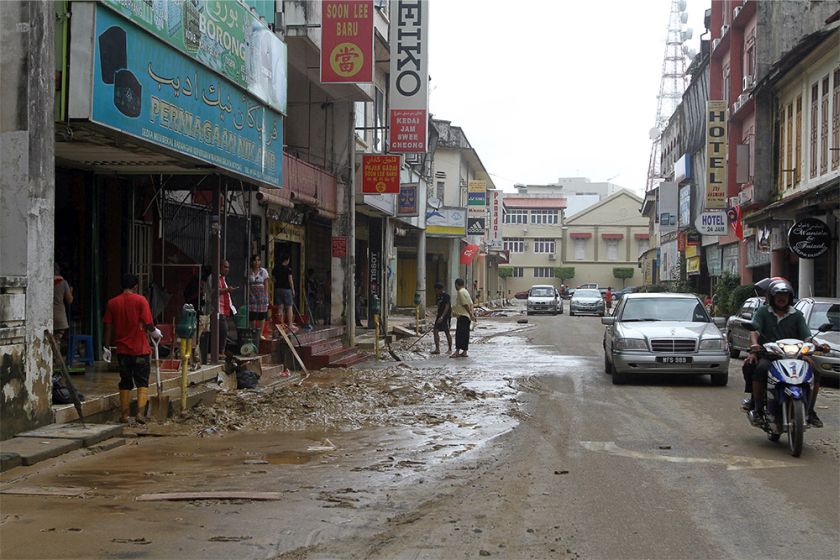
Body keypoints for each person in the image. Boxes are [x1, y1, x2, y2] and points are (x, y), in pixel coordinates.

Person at [743, 278, 828, 428]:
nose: (782, 298)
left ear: (790, 297)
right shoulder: (763, 312)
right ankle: (756, 408)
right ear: (771, 297)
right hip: (770, 354)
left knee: (815, 372)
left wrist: (819, 345)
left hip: (795, 355)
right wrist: (755, 345)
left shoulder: (797, 315)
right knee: (760, 368)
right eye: (778, 295)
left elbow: (807, 336)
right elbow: (754, 331)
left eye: (785, 295)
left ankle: (810, 411)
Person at [103, 273, 161, 424]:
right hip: (140, 350)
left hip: (122, 351)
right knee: (142, 381)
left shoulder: (112, 303)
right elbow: (148, 323)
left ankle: (124, 415)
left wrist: (106, 347)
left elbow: (108, 327)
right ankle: (140, 414)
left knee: (125, 381)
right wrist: (155, 331)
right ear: (135, 286)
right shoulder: (141, 300)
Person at [451, 278, 476, 358]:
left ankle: (457, 351)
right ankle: (465, 351)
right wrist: (471, 314)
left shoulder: (460, 292)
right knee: (465, 334)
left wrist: (470, 314)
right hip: (466, 317)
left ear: (456, 284)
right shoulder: (466, 291)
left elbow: (465, 304)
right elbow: (471, 303)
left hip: (462, 316)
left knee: (459, 334)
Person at [53, 263, 74, 359]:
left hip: (48, 317)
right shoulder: (63, 283)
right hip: (60, 317)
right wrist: (70, 291)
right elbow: (69, 300)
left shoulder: (44, 282)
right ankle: (58, 362)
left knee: (50, 342)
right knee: (57, 341)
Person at [248, 255, 270, 339]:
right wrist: (250, 294)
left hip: (262, 296)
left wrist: (266, 296)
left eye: (258, 260)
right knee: (252, 315)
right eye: (254, 260)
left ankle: (260, 334)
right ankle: (253, 332)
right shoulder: (249, 271)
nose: (256, 262)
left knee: (262, 315)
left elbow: (266, 284)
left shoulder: (263, 271)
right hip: (252, 296)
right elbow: (247, 285)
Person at [272, 254, 296, 331]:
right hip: (287, 290)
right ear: (287, 260)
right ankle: (290, 324)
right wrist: (293, 289)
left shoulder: (276, 268)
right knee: (289, 307)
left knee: (280, 307)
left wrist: (276, 282)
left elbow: (273, 278)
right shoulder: (288, 269)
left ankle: (281, 325)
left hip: (278, 289)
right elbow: (290, 280)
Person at [218, 260, 237, 355]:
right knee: (223, 330)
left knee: (225, 330)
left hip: (225, 309)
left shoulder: (223, 279)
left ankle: (221, 351)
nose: (227, 269)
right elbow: (215, 291)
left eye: (228, 267)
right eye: (225, 267)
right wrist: (227, 290)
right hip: (218, 310)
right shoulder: (214, 278)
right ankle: (220, 352)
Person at [431, 282, 452, 355]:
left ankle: (450, 349)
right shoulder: (438, 296)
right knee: (435, 331)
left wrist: (442, 317)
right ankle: (437, 349)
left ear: (440, 289)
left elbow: (447, 306)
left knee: (447, 332)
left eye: (436, 290)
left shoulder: (446, 296)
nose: (435, 291)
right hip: (439, 316)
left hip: (445, 317)